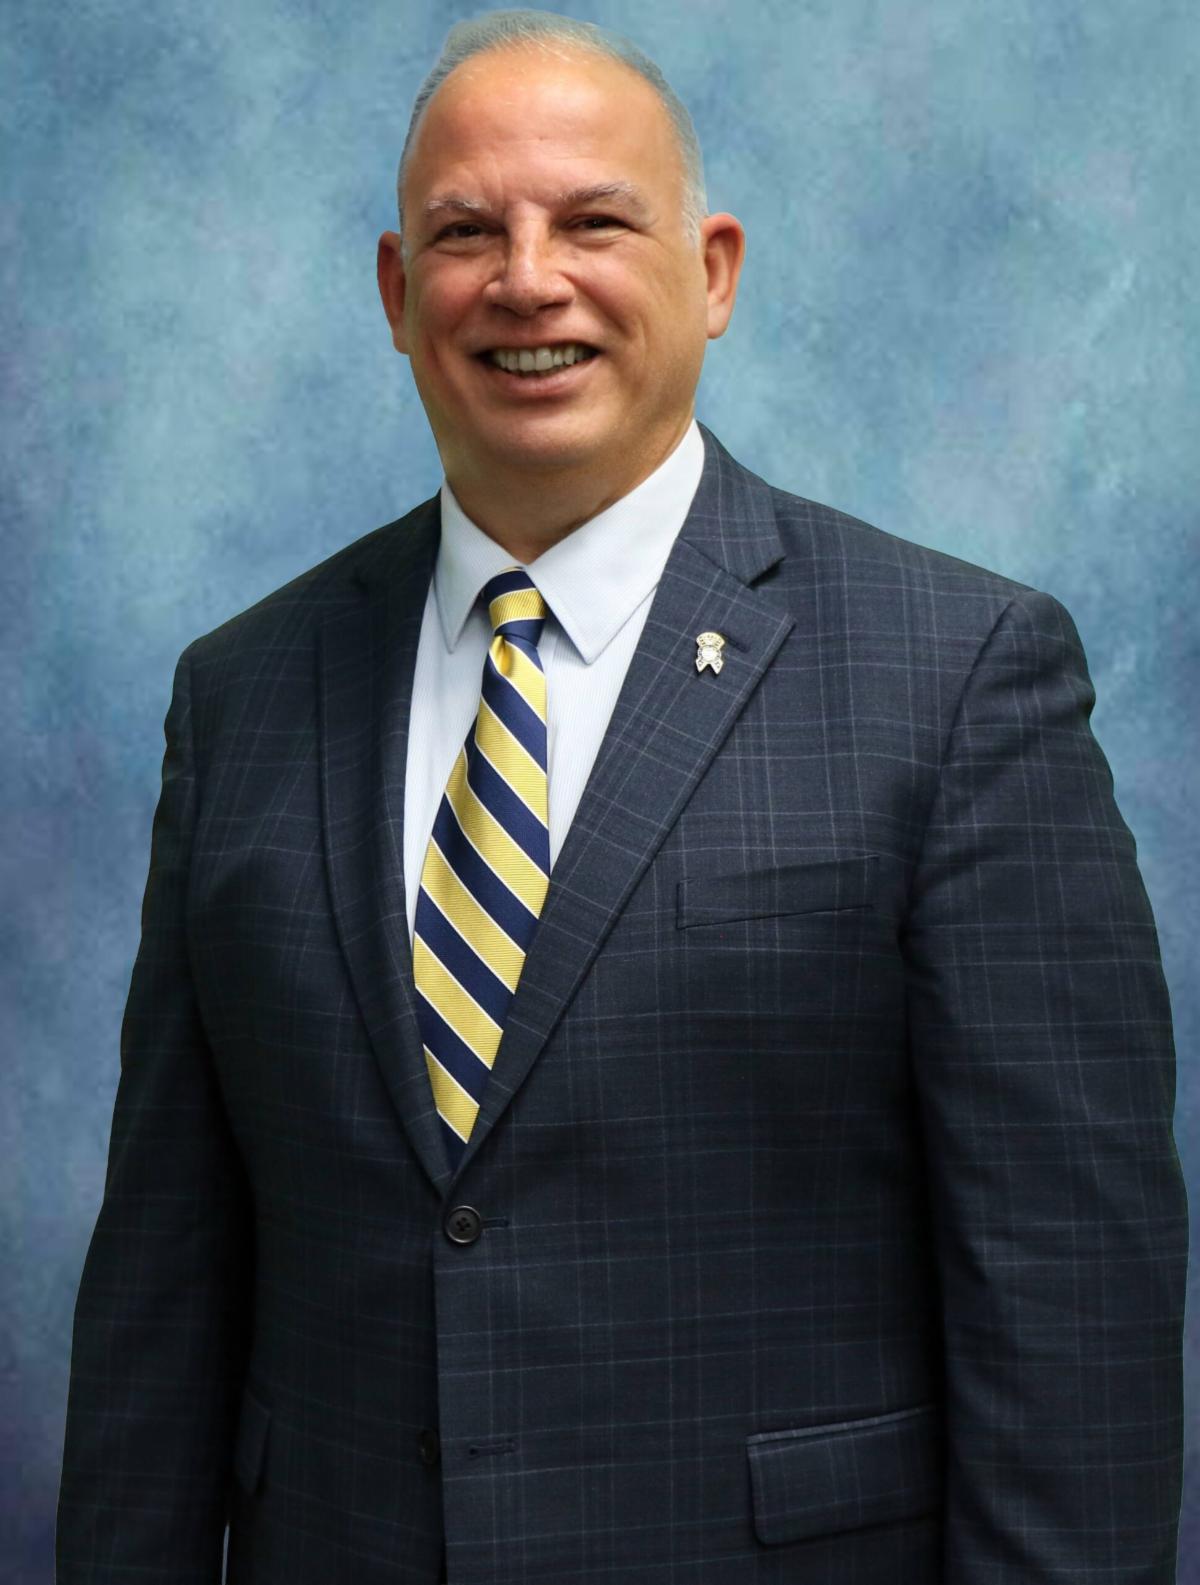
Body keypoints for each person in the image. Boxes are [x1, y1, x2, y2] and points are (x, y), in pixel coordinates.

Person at [56, 10, 1187, 1584]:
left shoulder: (961, 679)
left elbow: (1073, 1316)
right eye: (467, 231)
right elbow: (161, 1302)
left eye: (595, 220)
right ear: (399, 295)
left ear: (713, 271)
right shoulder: (242, 693)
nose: (528, 278)